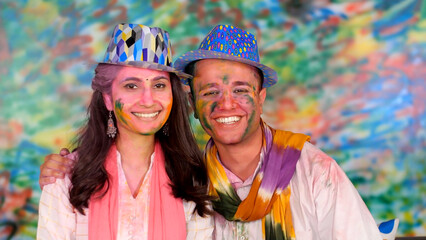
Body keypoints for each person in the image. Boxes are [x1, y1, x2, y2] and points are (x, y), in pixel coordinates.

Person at [40, 24, 385, 240]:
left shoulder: (314, 173)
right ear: (190, 101)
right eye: (209, 92)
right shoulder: (197, 177)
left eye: (240, 90)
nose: (226, 104)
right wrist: (62, 172)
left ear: (261, 96)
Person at [37, 23, 213, 240]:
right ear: (108, 99)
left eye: (159, 86)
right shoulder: (65, 180)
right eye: (132, 86)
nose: (148, 101)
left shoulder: (193, 180)